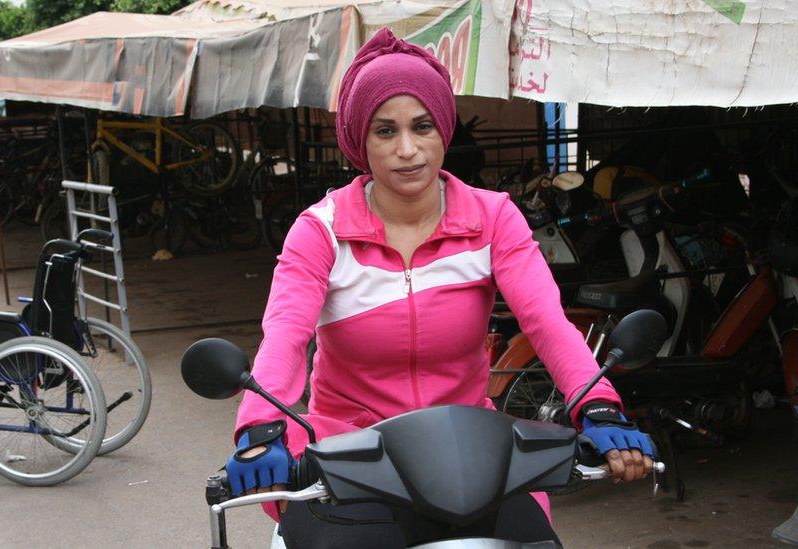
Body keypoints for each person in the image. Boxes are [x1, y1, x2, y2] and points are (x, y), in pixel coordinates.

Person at [225, 28, 655, 548]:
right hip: (350, 457)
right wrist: (260, 429)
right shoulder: (321, 229)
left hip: (473, 456)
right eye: (385, 131)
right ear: (361, 141)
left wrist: (599, 404)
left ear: (443, 131)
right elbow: (286, 338)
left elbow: (547, 323)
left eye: (421, 126)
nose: (407, 150)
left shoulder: (494, 218)